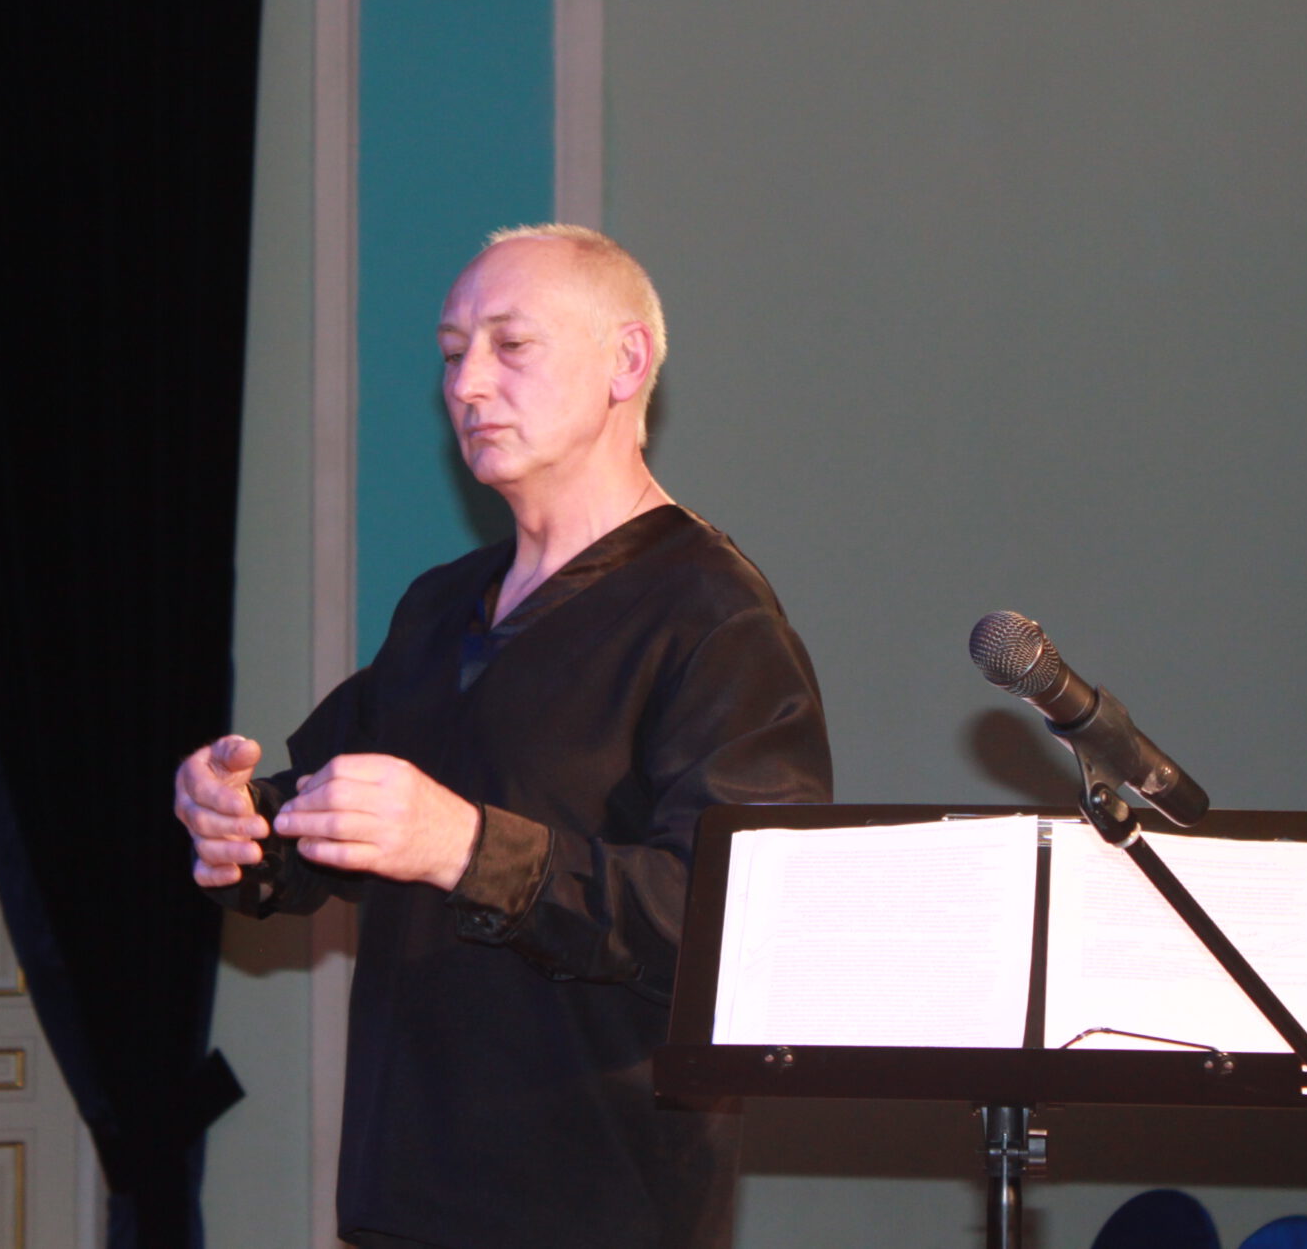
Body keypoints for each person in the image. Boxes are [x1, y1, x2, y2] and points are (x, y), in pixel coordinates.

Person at [173, 225, 833, 1249]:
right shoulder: (441, 606)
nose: (466, 384)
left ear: (625, 362)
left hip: (596, 1206)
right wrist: (240, 824)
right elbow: (326, 816)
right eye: (451, 353)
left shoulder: (713, 616)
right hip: (403, 1197)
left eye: (510, 345)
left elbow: (746, 923)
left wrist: (470, 848)